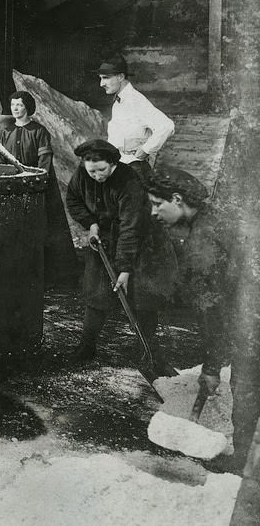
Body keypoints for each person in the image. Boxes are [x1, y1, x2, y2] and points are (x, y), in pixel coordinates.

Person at [146, 167, 259, 474]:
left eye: (158, 204)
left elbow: (213, 313)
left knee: (247, 387)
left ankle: (243, 465)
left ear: (178, 199)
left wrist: (211, 368)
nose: (153, 212)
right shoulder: (218, 215)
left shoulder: (202, 246)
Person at [64, 139, 177, 377]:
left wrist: (124, 269)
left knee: (143, 297)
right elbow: (73, 200)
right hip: (103, 241)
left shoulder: (129, 181)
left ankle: (147, 352)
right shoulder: (83, 174)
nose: (96, 176)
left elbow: (131, 227)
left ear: (113, 163)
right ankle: (86, 347)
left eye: (101, 170)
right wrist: (91, 223)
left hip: (139, 244)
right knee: (96, 294)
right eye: (91, 170)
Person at [0, 91, 78, 285]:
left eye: (19, 105)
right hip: (12, 186)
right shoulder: (6, 131)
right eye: (13, 105)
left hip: (35, 186)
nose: (15, 108)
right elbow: (0, 159)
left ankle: (47, 276)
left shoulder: (39, 131)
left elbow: (44, 161)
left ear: (27, 107)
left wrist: (34, 179)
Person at [97, 54, 175, 181]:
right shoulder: (118, 102)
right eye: (100, 78)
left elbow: (167, 126)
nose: (101, 84)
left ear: (121, 76)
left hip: (135, 169)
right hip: (120, 167)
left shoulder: (136, 101)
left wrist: (146, 149)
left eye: (105, 78)